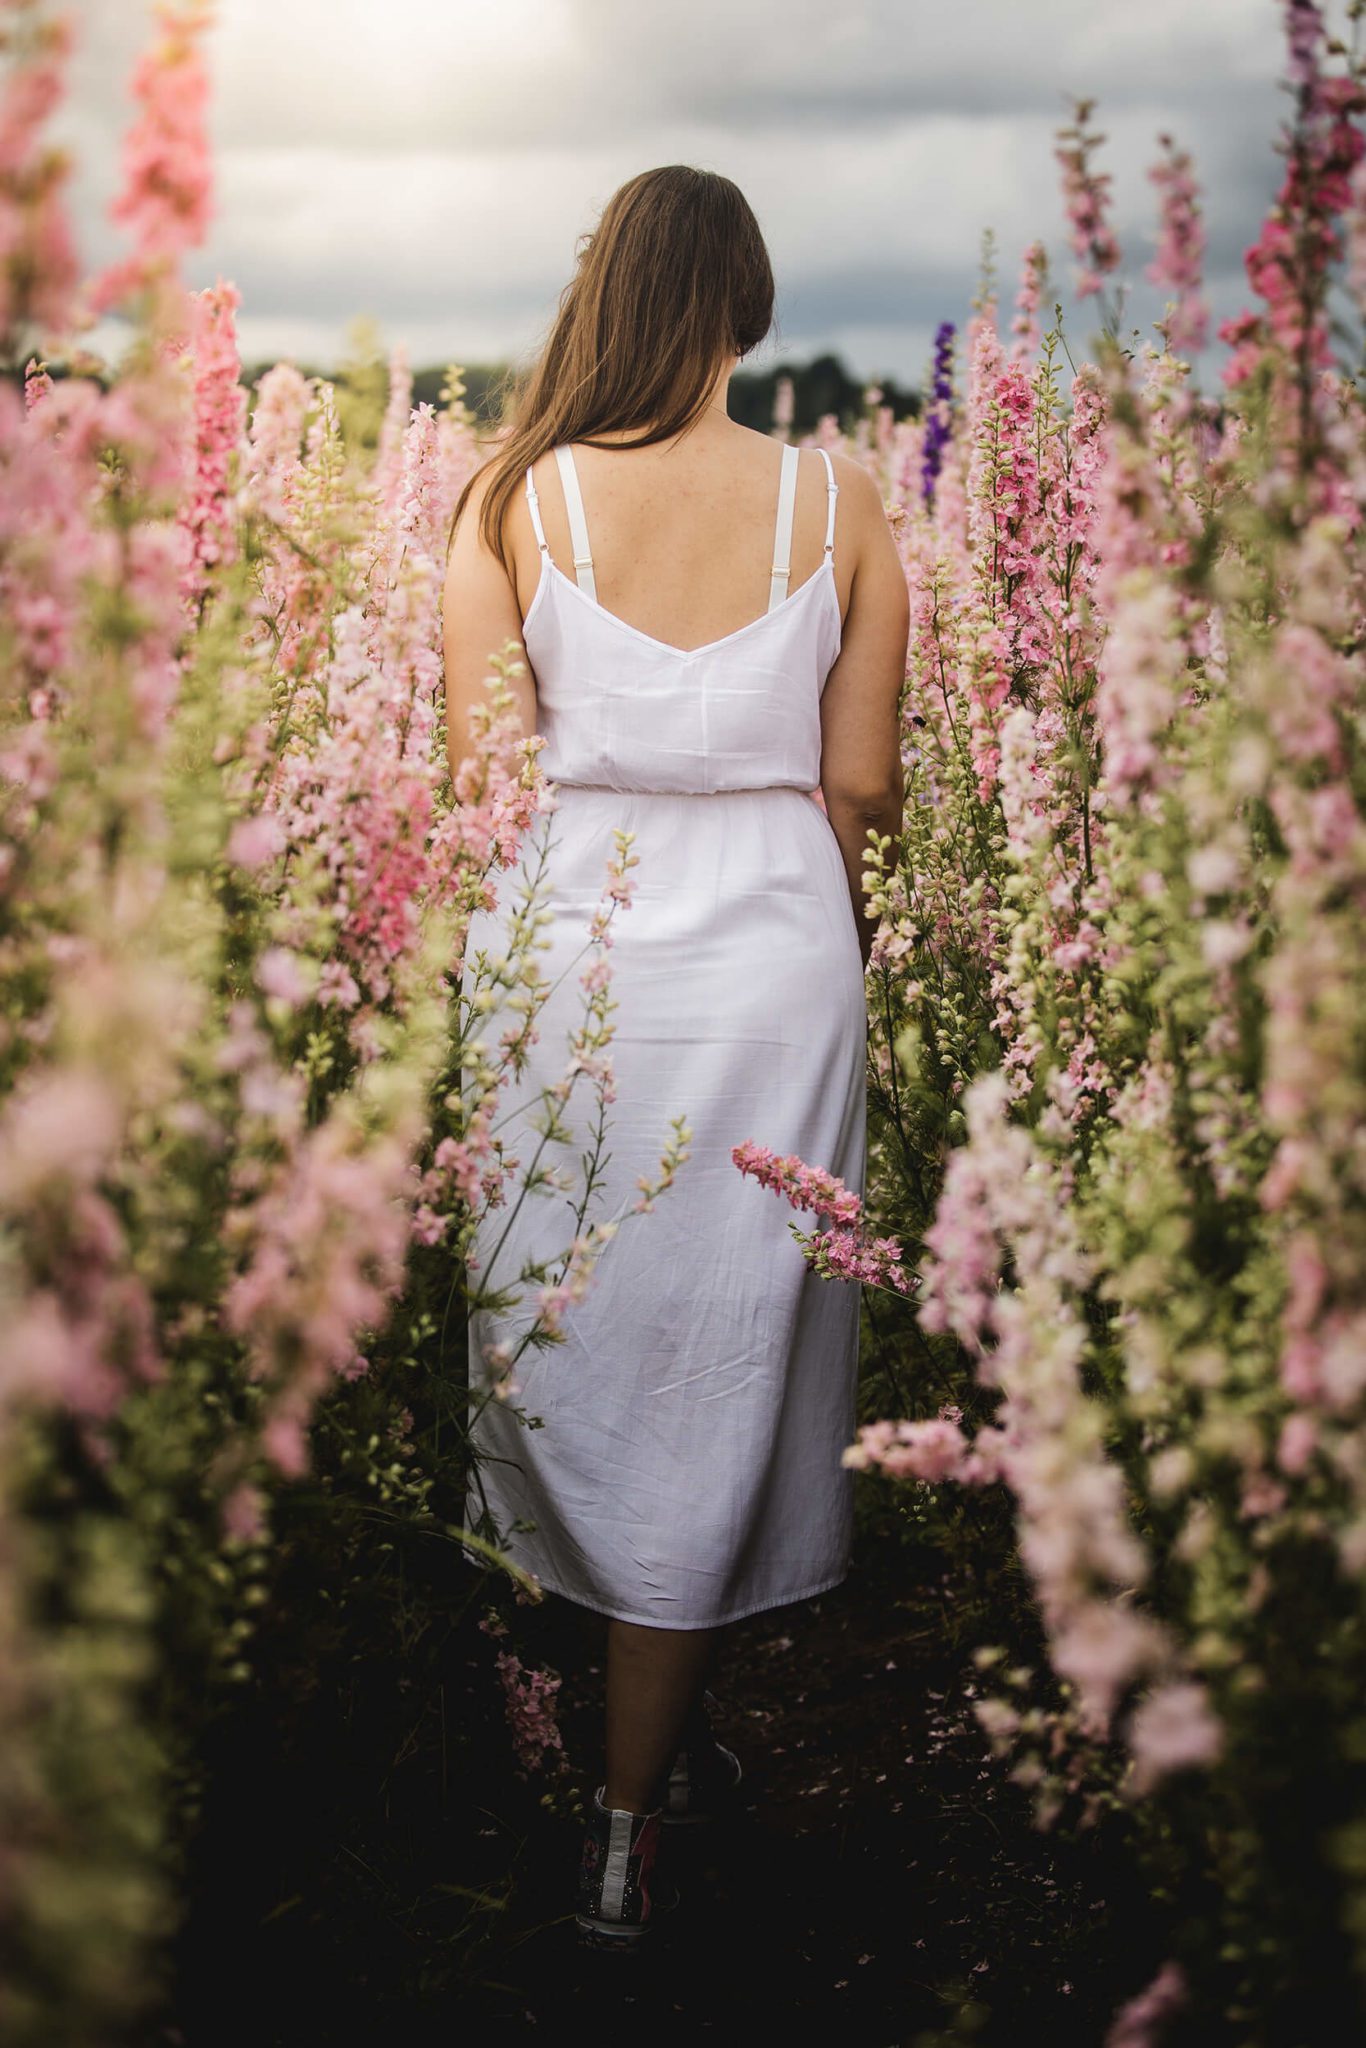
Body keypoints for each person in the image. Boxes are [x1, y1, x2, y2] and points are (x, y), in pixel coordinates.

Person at [442, 164, 907, 1948]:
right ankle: (637, 1818)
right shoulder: (837, 496)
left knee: (571, 1318)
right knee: (725, 1338)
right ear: (744, 307)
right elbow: (857, 783)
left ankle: (593, 1735)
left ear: (607, 299)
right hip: (777, 938)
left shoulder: (507, 499)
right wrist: (784, 904)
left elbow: (490, 781)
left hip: (572, 943)